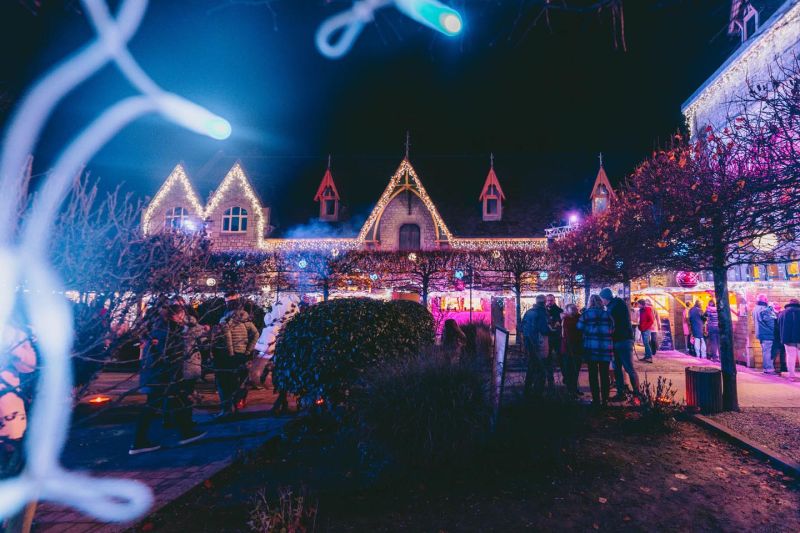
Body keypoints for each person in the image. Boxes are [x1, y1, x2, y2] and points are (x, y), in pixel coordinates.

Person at [131, 302, 206, 455]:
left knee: (171, 402)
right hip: (162, 375)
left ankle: (185, 432)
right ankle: (140, 442)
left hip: (156, 374)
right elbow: (170, 355)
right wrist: (175, 375)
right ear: (178, 315)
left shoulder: (158, 328)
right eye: (182, 315)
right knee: (157, 405)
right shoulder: (170, 330)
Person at [600, 288, 639, 401]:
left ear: (604, 298)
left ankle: (635, 393)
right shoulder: (617, 303)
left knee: (627, 368)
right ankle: (626, 392)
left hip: (622, 340)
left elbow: (611, 322)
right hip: (621, 340)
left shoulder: (614, 306)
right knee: (619, 368)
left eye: (602, 299)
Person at [578, 295, 614, 408]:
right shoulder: (607, 314)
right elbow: (613, 328)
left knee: (593, 374)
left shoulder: (586, 314)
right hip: (605, 348)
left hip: (591, 347)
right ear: (600, 302)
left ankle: (596, 399)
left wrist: (589, 330)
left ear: (590, 302)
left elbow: (579, 327)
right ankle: (605, 400)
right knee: (604, 374)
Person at [222, 308, 259, 411]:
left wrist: (231, 352)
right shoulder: (246, 321)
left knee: (233, 380)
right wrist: (249, 349)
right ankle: (240, 401)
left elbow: (228, 337)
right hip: (244, 354)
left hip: (235, 355)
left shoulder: (228, 321)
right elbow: (256, 334)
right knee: (243, 379)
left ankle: (235, 402)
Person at [521, 294, 552, 397]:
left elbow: (521, 327)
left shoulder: (529, 312)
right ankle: (537, 394)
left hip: (529, 343)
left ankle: (527, 390)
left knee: (531, 367)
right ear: (544, 302)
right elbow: (544, 330)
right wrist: (553, 329)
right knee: (541, 370)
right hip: (539, 343)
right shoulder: (541, 313)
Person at [561, 303, 583, 397]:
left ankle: (572, 390)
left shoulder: (566, 319)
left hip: (569, 348)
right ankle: (573, 390)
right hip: (574, 348)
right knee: (574, 370)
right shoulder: (578, 318)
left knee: (571, 370)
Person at [753, 294, 777, 374]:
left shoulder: (755, 308)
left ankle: (767, 369)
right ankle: (769, 369)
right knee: (768, 352)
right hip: (768, 334)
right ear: (765, 299)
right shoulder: (764, 309)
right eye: (766, 299)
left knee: (765, 351)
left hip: (761, 333)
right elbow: (771, 322)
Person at [777, 298, 800, 380]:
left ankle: (792, 375)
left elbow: (778, 326)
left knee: (790, 356)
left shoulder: (782, 313)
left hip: (787, 338)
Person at [637, 299, 656, 363]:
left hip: (646, 329)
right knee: (645, 343)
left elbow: (651, 320)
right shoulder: (641, 310)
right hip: (642, 328)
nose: (638, 305)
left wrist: (645, 327)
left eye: (639, 304)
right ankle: (646, 356)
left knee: (646, 342)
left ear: (642, 304)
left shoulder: (647, 310)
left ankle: (650, 357)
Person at [545, 294, 563, 361]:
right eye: (548, 300)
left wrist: (558, 323)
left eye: (551, 300)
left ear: (554, 300)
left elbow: (561, 322)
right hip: (547, 336)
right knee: (547, 356)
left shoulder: (559, 311)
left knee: (559, 355)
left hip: (557, 336)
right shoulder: (543, 311)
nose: (549, 302)